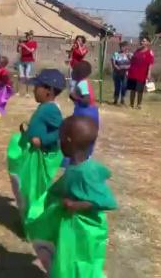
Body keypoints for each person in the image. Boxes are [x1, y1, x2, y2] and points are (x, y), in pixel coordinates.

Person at [27, 116, 117, 278]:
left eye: (60, 138)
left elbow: (107, 201)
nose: (59, 142)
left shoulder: (85, 172)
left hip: (85, 229)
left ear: (68, 141)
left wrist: (76, 205)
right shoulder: (75, 167)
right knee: (69, 260)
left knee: (82, 262)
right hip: (73, 226)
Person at [7, 68, 65, 230]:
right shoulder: (46, 106)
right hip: (35, 155)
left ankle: (36, 225)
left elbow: (62, 130)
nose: (34, 89)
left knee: (34, 191)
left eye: (37, 86)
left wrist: (43, 140)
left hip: (41, 157)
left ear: (49, 91)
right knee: (28, 188)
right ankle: (30, 221)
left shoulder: (50, 109)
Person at [69, 60, 99, 162]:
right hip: (90, 111)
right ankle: (86, 156)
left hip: (85, 112)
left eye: (74, 71)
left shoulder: (82, 84)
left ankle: (83, 157)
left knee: (80, 135)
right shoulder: (84, 82)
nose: (72, 73)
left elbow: (86, 100)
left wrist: (75, 97)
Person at [127, 36, 155, 109]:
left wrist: (149, 73)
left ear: (148, 43)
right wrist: (129, 58)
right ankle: (131, 104)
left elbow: (150, 63)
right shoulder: (137, 51)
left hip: (142, 74)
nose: (142, 42)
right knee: (132, 90)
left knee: (140, 90)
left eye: (144, 41)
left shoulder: (150, 52)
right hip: (133, 72)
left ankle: (139, 104)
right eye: (142, 41)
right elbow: (132, 61)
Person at [16, 31, 38, 97]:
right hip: (22, 61)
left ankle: (27, 93)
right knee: (21, 76)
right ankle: (18, 92)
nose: (28, 37)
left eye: (29, 35)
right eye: (27, 36)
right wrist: (18, 45)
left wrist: (24, 46)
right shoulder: (23, 42)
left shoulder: (34, 43)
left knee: (27, 77)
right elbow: (18, 51)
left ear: (32, 36)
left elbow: (31, 51)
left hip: (29, 61)